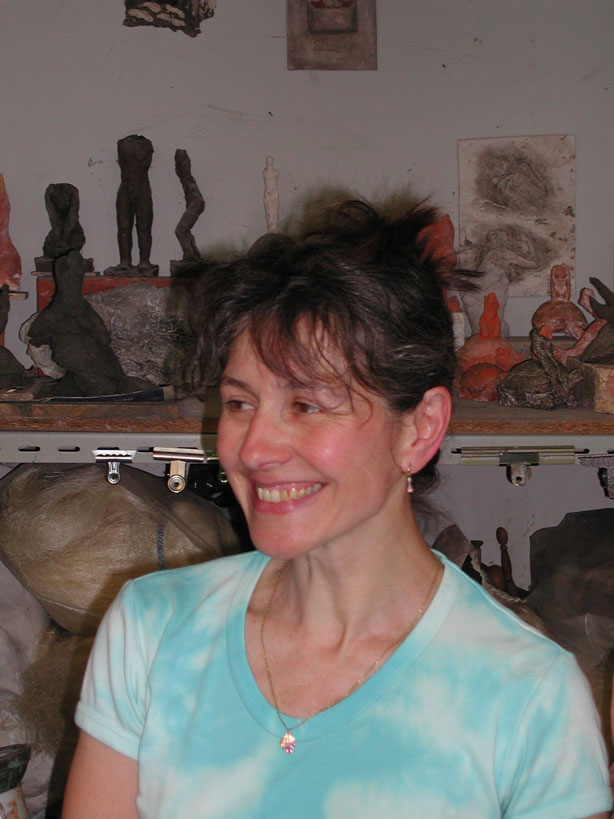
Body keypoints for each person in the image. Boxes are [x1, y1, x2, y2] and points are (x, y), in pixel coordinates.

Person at [63, 198, 612, 817]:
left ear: (419, 429)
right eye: (240, 403)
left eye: (307, 405)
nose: (254, 449)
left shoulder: (527, 696)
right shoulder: (153, 631)